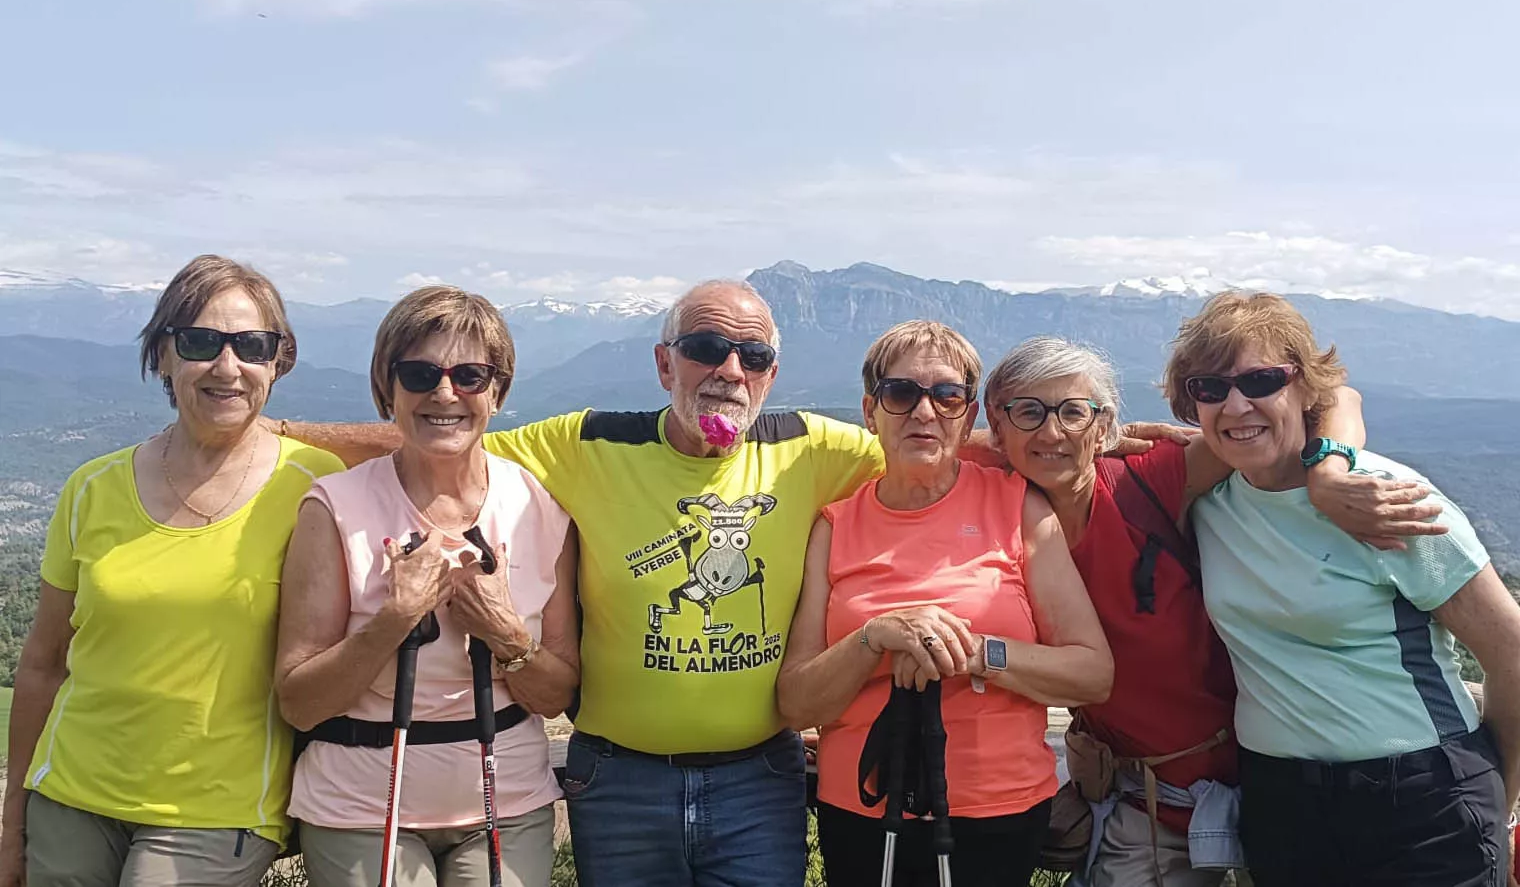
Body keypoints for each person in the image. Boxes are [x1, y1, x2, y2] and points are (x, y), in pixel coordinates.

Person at [274, 279, 1179, 886]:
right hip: (618, 778)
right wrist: (260, 439)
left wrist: (1068, 436)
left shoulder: (814, 450)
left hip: (760, 779)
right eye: (705, 348)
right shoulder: (585, 441)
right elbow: (441, 430)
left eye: (750, 357)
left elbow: (931, 450)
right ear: (665, 363)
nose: (728, 370)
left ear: (774, 373)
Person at [981, 335, 1448, 886]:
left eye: (1074, 412)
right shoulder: (994, 507)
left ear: (1103, 423)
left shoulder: (1150, 480)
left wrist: (1328, 473)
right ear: (997, 421)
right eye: (1029, 412)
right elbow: (917, 438)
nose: (1052, 431)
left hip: (1271, 787)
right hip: (1146, 808)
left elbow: (1332, 397)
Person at [0, 255, 344, 887]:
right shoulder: (91, 489)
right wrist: (14, 811)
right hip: (70, 793)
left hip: (218, 807)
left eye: (252, 345)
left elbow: (436, 441)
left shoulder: (316, 489)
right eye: (200, 342)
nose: (227, 365)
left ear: (278, 361)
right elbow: (44, 661)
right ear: (162, 355)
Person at [1165, 291, 1520, 886]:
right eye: (1209, 388)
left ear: (1306, 389)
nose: (1235, 404)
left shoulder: (1387, 500)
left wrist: (1495, 792)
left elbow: (1510, 652)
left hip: (1423, 796)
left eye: (1260, 380)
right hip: (1281, 802)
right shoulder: (1207, 502)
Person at [776, 321, 1114, 887]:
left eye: (947, 396)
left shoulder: (1019, 509)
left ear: (969, 414)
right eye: (901, 394)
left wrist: (975, 652)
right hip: (862, 808)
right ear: (870, 410)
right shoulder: (835, 526)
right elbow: (797, 703)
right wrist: (875, 637)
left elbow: (1092, 672)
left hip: (998, 811)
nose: (924, 413)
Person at [274, 286, 579, 887]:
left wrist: (507, 634)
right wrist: (395, 620)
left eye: (469, 374)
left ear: (497, 391)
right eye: (419, 374)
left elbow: (558, 693)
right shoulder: (334, 508)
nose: (445, 393)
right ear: (387, 390)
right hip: (361, 806)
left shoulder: (540, 510)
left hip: (506, 801)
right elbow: (299, 701)